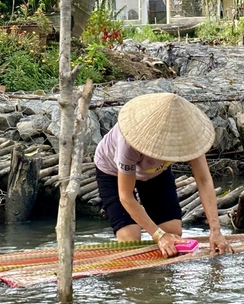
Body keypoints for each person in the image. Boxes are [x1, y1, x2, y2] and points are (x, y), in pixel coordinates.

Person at [94, 92, 234, 258]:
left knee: (173, 233)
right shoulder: (129, 142)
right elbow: (125, 196)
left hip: (156, 172)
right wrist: (158, 235)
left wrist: (215, 231)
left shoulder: (190, 136)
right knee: (130, 240)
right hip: (113, 172)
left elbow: (203, 180)